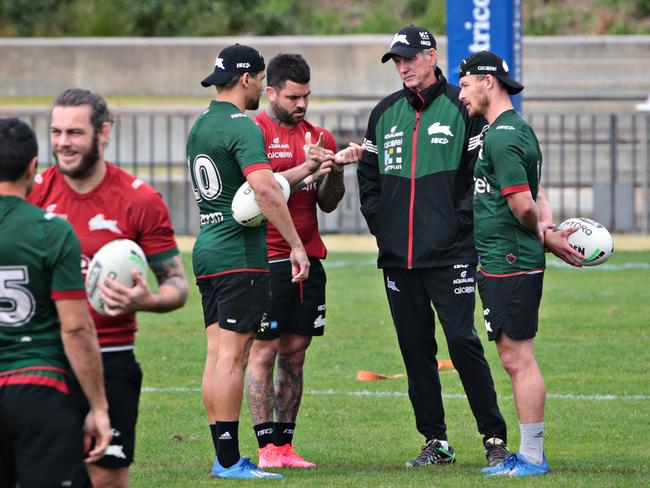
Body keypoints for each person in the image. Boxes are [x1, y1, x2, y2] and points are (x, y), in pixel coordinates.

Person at [357, 25, 510, 468]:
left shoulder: (462, 108)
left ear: (431, 55)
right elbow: (369, 177)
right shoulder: (384, 112)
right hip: (398, 257)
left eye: (409, 58)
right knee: (414, 348)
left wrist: (456, 229)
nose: (402, 66)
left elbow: (476, 179)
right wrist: (382, 225)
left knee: (463, 343)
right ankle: (435, 441)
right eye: (396, 60)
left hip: (451, 254)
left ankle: (494, 438)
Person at [188, 43, 339, 480]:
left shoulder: (203, 123)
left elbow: (256, 188)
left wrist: (307, 169)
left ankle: (224, 455)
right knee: (236, 360)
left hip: (209, 248)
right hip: (240, 257)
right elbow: (265, 193)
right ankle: (232, 460)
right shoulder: (244, 125)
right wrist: (294, 244)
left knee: (217, 357)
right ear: (250, 80)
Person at [27, 89, 189, 488]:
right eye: (56, 132)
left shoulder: (139, 199)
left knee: (106, 476)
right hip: (46, 356)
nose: (63, 143)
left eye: (75, 133)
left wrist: (148, 300)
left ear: (103, 133)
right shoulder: (33, 193)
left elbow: (177, 285)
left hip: (112, 358)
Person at [458, 50, 583, 477]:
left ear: (487, 81)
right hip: (502, 259)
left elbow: (522, 203)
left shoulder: (502, 135)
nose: (461, 94)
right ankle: (529, 454)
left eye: (464, 84)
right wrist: (545, 228)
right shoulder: (508, 129)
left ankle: (531, 456)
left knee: (518, 360)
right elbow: (534, 190)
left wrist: (543, 235)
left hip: (510, 260)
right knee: (514, 357)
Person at [246, 53, 365, 470]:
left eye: (307, 97)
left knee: (295, 353)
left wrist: (334, 170)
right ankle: (265, 448)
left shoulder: (320, 136)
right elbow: (259, 195)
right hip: (267, 260)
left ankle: (285, 445)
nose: (301, 105)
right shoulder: (253, 133)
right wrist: (306, 166)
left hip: (309, 259)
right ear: (271, 92)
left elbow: (328, 205)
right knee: (263, 352)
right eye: (294, 97)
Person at [0, 117, 112, 486]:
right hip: (37, 387)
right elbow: (77, 327)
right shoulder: (51, 229)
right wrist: (97, 406)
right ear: (34, 165)